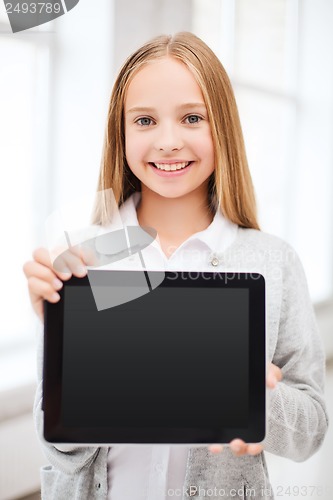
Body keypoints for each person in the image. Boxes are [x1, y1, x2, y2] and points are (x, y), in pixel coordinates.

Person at [23, 32, 328, 499]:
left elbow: (310, 433)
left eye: (191, 117)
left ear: (221, 126)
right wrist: (70, 337)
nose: (168, 142)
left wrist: (252, 393)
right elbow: (63, 453)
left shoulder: (273, 262)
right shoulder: (85, 257)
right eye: (144, 120)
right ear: (120, 133)